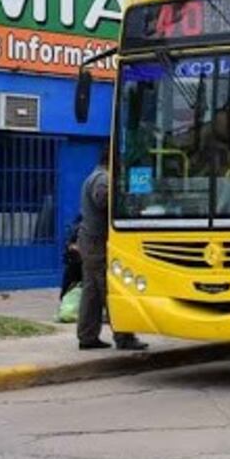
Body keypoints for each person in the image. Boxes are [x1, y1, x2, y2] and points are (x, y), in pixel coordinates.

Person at [77, 146, 147, 351]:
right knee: (110, 289)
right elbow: (104, 201)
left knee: (91, 293)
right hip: (98, 243)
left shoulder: (95, 175)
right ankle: (124, 337)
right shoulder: (103, 179)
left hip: (89, 241)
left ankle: (87, 336)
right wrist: (124, 198)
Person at [60, 214, 83, 300]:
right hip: (76, 262)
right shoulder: (79, 229)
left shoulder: (77, 227)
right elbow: (70, 245)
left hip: (76, 262)